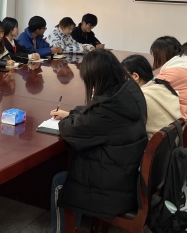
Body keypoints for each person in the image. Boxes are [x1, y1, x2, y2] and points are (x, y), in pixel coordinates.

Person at [49, 49, 148, 232]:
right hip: (127, 175)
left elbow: (71, 130)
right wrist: (72, 113)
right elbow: (92, 116)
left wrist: (67, 118)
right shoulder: (127, 94)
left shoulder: (106, 108)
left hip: (112, 191)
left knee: (59, 182)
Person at [122, 54, 181, 139]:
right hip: (173, 141)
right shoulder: (161, 86)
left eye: (123, 76)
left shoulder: (141, 97)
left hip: (156, 144)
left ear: (135, 76)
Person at [152, 36, 187, 119]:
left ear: (162, 54)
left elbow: (151, 88)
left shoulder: (174, 70)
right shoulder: (185, 64)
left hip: (185, 117)